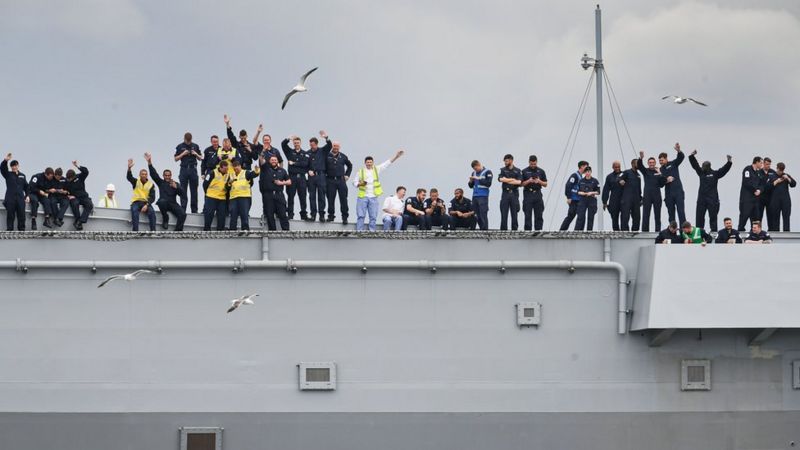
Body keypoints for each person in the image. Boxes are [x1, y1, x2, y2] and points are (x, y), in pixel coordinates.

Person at [353, 150, 404, 231]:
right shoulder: (360, 172)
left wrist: (396, 156)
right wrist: (359, 184)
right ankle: (359, 231)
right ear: (365, 163)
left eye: (370, 162)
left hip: (373, 196)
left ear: (373, 163)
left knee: (373, 216)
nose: (369, 164)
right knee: (361, 215)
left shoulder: (376, 169)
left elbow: (387, 163)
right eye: (367, 162)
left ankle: (372, 231)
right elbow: (354, 182)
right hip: (363, 196)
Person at [688, 150, 732, 231]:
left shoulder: (715, 174)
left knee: (713, 218)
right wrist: (691, 156)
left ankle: (714, 234)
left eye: (703, 166)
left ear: (708, 166)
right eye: (702, 166)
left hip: (712, 199)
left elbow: (723, 170)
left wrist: (729, 162)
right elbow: (695, 165)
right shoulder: (701, 173)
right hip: (701, 199)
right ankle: (699, 233)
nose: (702, 167)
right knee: (699, 217)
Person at [145, 152, 187, 231]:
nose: (167, 177)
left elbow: (183, 194)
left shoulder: (175, 183)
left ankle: (177, 231)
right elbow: (154, 174)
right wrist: (149, 163)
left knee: (183, 214)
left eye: (169, 175)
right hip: (164, 204)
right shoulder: (161, 182)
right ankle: (165, 218)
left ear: (171, 176)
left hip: (173, 204)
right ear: (163, 176)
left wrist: (176, 188)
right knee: (161, 202)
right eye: (166, 175)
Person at [282, 135, 311, 221]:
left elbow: (305, 164)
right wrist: (288, 139)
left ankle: (303, 214)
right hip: (292, 177)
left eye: (297, 143)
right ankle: (290, 214)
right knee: (290, 196)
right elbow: (283, 145)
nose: (296, 144)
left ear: (300, 143)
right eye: (295, 143)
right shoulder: (290, 152)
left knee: (303, 196)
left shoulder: (305, 153)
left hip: (301, 178)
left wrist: (294, 163)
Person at [259, 154, 291, 231]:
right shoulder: (265, 168)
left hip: (279, 195)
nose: (273, 161)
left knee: (283, 214)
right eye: (272, 160)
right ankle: (272, 232)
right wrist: (263, 152)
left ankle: (286, 232)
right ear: (269, 161)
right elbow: (261, 160)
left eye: (275, 160)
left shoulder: (282, 170)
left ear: (277, 161)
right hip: (268, 196)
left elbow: (289, 181)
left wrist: (281, 183)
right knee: (269, 215)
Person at [174, 132, 202, 214]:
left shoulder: (195, 146)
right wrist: (183, 154)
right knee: (183, 190)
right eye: (187, 141)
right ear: (184, 139)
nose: (188, 143)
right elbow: (175, 158)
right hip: (184, 169)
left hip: (193, 170)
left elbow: (201, 158)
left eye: (189, 141)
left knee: (194, 191)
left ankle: (194, 210)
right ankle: (183, 210)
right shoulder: (180, 146)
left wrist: (195, 154)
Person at [637, 151, 666, 232]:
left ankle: (658, 231)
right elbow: (639, 166)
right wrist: (641, 158)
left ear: (655, 163)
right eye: (650, 162)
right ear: (648, 163)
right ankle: (645, 232)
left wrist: (660, 173)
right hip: (647, 196)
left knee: (657, 215)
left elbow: (662, 184)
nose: (651, 164)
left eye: (653, 162)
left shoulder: (659, 171)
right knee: (646, 215)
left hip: (657, 196)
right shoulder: (645, 171)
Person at [227, 160, 259, 231]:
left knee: (244, 214)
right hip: (233, 197)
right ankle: (232, 229)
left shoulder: (245, 172)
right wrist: (229, 182)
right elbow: (227, 187)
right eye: (234, 169)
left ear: (240, 166)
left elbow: (254, 174)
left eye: (237, 168)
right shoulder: (232, 175)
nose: (236, 170)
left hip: (244, 197)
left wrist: (256, 169)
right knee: (233, 214)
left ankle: (245, 229)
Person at [325, 141, 353, 224]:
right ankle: (331, 216)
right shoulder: (326, 155)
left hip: (341, 181)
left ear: (339, 147)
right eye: (334, 146)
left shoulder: (343, 156)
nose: (335, 148)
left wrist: (347, 175)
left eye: (337, 146)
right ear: (332, 146)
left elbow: (350, 165)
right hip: (330, 180)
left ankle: (345, 217)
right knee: (330, 199)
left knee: (343, 200)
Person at [126, 158, 156, 232]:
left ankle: (153, 231)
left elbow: (152, 197)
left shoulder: (151, 184)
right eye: (142, 174)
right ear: (139, 175)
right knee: (134, 211)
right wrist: (129, 168)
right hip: (136, 202)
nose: (144, 175)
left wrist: (147, 205)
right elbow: (129, 177)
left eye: (145, 174)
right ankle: (135, 231)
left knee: (152, 213)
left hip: (145, 203)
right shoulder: (136, 181)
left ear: (147, 175)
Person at [1, 153, 29, 231]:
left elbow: (27, 187)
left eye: (16, 165)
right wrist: (5, 160)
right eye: (13, 165)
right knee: (10, 215)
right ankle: (9, 230)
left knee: (22, 215)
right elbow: (2, 168)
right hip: (10, 198)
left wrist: (27, 195)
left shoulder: (22, 175)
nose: (14, 167)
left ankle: (22, 230)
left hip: (20, 198)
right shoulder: (8, 174)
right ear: (11, 167)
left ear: (18, 166)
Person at [559, 161, 588, 231]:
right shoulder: (575, 175)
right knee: (571, 215)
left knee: (581, 216)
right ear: (582, 166)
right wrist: (568, 197)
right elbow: (568, 185)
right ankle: (562, 230)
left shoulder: (581, 177)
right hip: (574, 200)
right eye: (586, 167)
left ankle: (579, 231)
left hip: (580, 200)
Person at [661, 143, 686, 224]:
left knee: (681, 212)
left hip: (678, 192)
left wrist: (678, 150)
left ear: (666, 159)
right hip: (668, 194)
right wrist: (666, 180)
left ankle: (684, 232)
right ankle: (672, 232)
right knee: (671, 214)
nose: (660, 162)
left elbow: (681, 157)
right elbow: (660, 183)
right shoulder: (660, 169)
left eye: (662, 160)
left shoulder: (673, 164)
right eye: (659, 160)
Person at [520, 155, 547, 231]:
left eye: (534, 164)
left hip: (537, 194)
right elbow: (521, 184)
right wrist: (529, 181)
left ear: (536, 162)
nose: (533, 165)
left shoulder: (541, 171)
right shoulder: (524, 171)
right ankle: (528, 231)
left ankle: (538, 230)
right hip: (528, 194)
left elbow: (545, 184)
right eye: (531, 164)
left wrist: (539, 181)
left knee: (539, 214)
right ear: (529, 162)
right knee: (527, 214)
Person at [202, 160, 230, 231]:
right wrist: (208, 194)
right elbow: (205, 184)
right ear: (220, 168)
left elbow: (228, 187)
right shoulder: (212, 173)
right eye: (225, 169)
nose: (226, 170)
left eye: (227, 169)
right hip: (211, 197)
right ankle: (207, 230)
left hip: (222, 198)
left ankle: (220, 231)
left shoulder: (228, 175)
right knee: (209, 214)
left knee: (221, 216)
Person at [64, 160, 93, 230]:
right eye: (68, 179)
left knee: (89, 204)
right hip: (74, 197)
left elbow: (86, 172)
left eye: (70, 178)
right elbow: (64, 191)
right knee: (75, 204)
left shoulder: (79, 177)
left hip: (83, 196)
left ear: (73, 176)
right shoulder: (66, 182)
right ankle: (77, 219)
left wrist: (77, 166)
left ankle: (80, 221)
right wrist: (68, 196)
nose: (69, 180)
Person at [738, 156, 764, 231]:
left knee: (756, 218)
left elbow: (762, 184)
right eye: (761, 163)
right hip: (747, 199)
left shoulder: (759, 172)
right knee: (744, 216)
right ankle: (740, 231)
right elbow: (746, 182)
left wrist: (759, 190)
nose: (762, 165)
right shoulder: (747, 169)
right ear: (756, 162)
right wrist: (754, 190)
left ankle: (754, 233)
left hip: (755, 199)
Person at [767, 162, 795, 231]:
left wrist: (788, 178)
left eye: (782, 171)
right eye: (779, 170)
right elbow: (767, 187)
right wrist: (776, 182)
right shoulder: (772, 176)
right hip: (775, 201)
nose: (780, 172)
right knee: (776, 218)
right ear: (777, 168)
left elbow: (794, 184)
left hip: (785, 200)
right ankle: (776, 234)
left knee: (786, 217)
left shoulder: (786, 175)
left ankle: (787, 233)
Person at [497, 154, 522, 231]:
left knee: (514, 213)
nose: (505, 163)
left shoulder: (517, 170)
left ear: (511, 160)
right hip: (505, 194)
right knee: (504, 213)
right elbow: (500, 179)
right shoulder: (503, 170)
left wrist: (507, 179)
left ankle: (514, 230)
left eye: (507, 161)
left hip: (514, 194)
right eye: (505, 161)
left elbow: (519, 182)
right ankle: (503, 230)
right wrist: (512, 180)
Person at [468, 160, 493, 230]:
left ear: (479, 165)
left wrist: (478, 179)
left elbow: (489, 183)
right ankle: (481, 228)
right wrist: (471, 181)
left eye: (476, 168)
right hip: (475, 196)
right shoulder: (474, 173)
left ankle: (485, 230)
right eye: (474, 169)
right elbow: (470, 186)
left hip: (483, 196)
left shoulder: (487, 172)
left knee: (483, 213)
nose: (475, 170)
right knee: (476, 214)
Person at [618, 159, 642, 231]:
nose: (638, 165)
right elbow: (619, 177)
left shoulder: (638, 175)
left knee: (637, 217)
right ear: (632, 164)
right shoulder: (626, 172)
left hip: (636, 199)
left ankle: (635, 233)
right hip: (627, 199)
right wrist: (620, 180)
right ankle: (624, 233)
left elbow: (639, 187)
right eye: (637, 163)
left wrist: (640, 198)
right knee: (625, 216)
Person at [574, 166, 600, 231]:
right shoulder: (581, 181)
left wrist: (591, 193)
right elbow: (577, 191)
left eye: (589, 171)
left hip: (592, 199)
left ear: (591, 172)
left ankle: (589, 232)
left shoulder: (595, 181)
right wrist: (583, 193)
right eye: (586, 172)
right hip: (583, 199)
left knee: (591, 217)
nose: (588, 173)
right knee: (581, 216)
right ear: (584, 173)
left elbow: (598, 192)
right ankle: (578, 231)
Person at [602, 161, 624, 231]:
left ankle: (624, 232)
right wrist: (604, 202)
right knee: (614, 217)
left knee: (624, 217)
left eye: (618, 167)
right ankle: (616, 232)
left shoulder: (625, 174)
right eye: (615, 167)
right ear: (613, 167)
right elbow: (606, 189)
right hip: (614, 199)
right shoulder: (609, 177)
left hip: (624, 199)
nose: (617, 168)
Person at [759, 157, 777, 225]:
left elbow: (775, 183)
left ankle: (771, 231)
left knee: (770, 216)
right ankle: (758, 231)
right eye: (767, 164)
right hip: (761, 198)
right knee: (759, 216)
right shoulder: (759, 172)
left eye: (769, 164)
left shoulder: (772, 172)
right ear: (763, 164)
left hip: (770, 197)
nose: (768, 166)